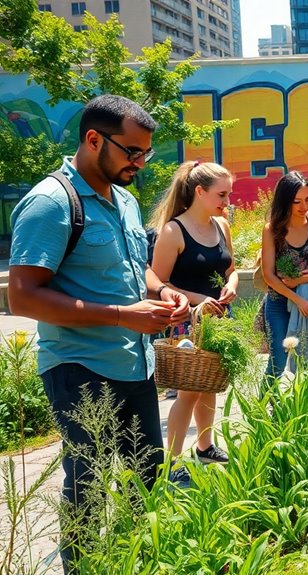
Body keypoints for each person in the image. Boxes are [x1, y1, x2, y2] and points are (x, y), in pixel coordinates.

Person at [7, 94, 189, 572]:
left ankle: (140, 562)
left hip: (134, 362)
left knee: (145, 477)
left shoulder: (124, 198)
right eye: (132, 152)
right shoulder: (51, 203)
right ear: (93, 140)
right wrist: (121, 316)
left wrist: (164, 290)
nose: (141, 163)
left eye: (146, 153)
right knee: (87, 486)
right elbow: (23, 296)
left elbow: (136, 271)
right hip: (79, 367)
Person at [150, 160, 237, 479]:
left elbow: (231, 270)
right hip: (188, 322)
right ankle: (171, 463)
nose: (227, 202)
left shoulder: (221, 225)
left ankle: (205, 447)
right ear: (199, 192)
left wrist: (230, 286)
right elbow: (158, 283)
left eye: (228, 194)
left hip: (218, 321)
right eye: (221, 194)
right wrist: (200, 299)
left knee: (209, 386)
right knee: (188, 391)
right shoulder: (173, 231)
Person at [261, 171, 308, 390]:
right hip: (280, 301)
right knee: (277, 361)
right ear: (285, 201)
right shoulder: (272, 229)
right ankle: (265, 410)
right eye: (297, 201)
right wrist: (297, 299)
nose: (304, 206)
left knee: (306, 357)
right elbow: (268, 275)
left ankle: (301, 409)